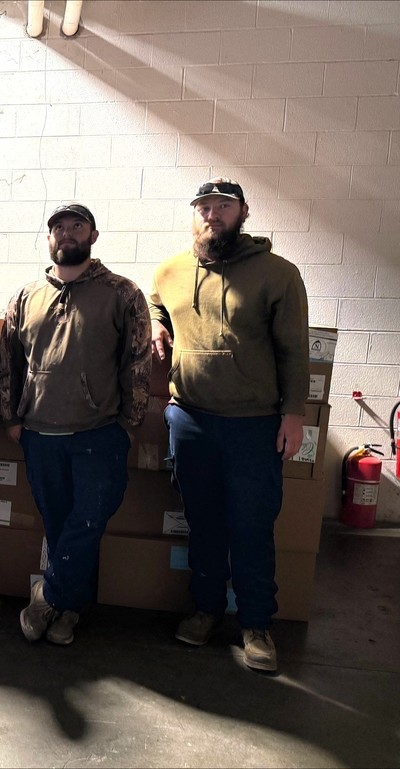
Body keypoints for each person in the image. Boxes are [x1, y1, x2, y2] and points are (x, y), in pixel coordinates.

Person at [149, 178, 309, 673]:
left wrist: (294, 413)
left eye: (223, 206)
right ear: (192, 214)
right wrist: (157, 321)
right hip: (190, 419)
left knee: (251, 526)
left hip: (253, 425)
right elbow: (158, 301)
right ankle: (206, 611)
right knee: (203, 524)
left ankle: (257, 624)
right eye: (203, 207)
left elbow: (293, 350)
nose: (212, 215)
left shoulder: (278, 274)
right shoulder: (172, 270)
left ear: (242, 213)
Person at [0, 202, 151, 646]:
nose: (67, 233)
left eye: (77, 226)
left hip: (97, 433)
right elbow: (8, 361)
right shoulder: (25, 296)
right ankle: (70, 611)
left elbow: (137, 361)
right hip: (40, 433)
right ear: (49, 239)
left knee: (87, 522)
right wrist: (12, 418)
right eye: (58, 228)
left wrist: (129, 423)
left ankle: (47, 595)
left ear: (93, 236)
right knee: (58, 522)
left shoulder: (122, 293)